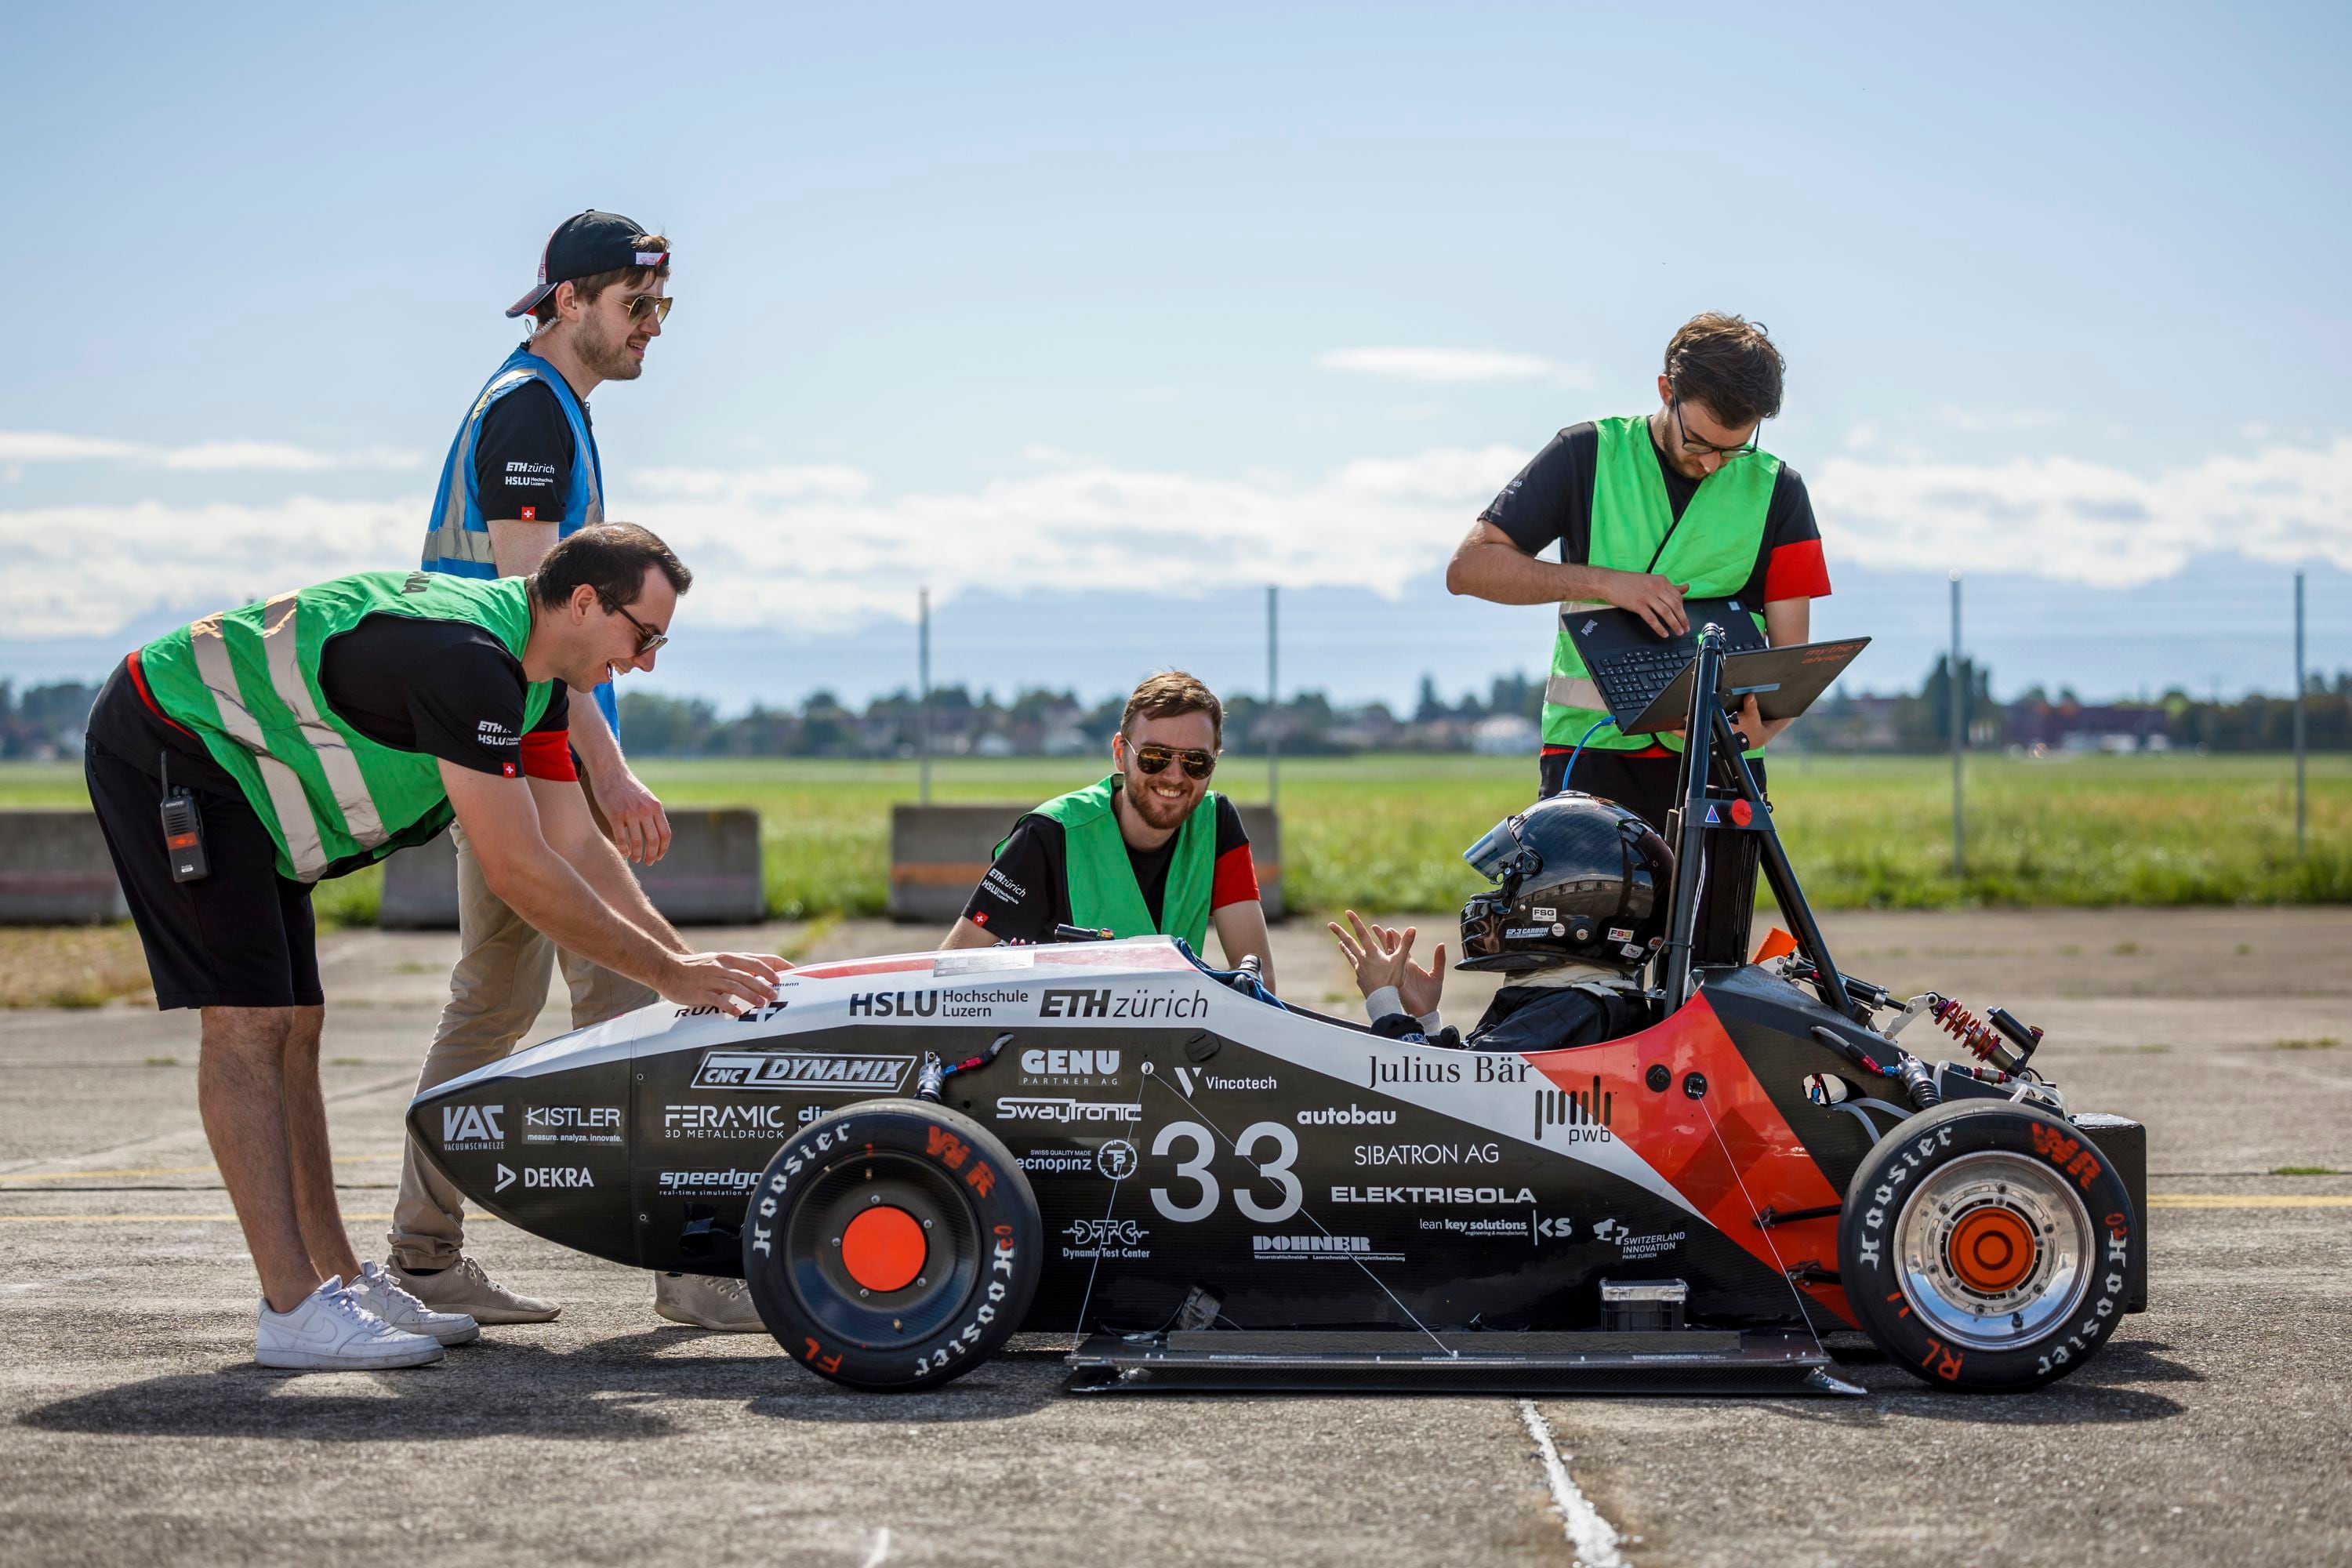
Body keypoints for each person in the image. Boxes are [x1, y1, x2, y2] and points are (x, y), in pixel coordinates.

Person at [81, 523, 789, 1370]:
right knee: (248, 1023)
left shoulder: (534, 683)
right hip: (174, 740)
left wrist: (686, 969)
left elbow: (575, 844)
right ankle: (292, 1305)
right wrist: (673, 973)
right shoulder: (471, 662)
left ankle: (338, 1276)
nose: (647, 662)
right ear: (586, 602)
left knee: (297, 1021)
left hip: (247, 777)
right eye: (645, 635)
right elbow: (521, 869)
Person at [402, 211, 742, 1330]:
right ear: (566, 304)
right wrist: (610, 773)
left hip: (513, 733)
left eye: (663, 309)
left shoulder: (551, 411)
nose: (652, 328)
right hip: (504, 737)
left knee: (517, 995)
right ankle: (687, 1269)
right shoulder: (531, 420)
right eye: (634, 306)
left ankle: (423, 1258)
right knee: (621, 991)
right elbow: (543, 627)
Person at [1444, 313, 1834, 961]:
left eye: (1733, 448)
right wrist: (1606, 583)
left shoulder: (1780, 491)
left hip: (1717, 770)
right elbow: (1470, 567)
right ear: (1665, 390)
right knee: (1576, 970)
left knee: (1708, 973)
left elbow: (1786, 663)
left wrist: (1759, 731)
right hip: (1589, 764)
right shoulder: (1585, 454)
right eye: (1700, 440)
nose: (1713, 463)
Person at [941, 672, 1276, 987]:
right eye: (1154, 757)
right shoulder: (1049, 834)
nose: (1174, 776)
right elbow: (949, 970)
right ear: (1120, 754)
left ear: (1214, 763)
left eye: (1195, 761)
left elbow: (1259, 982)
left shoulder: (1216, 823)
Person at [1327, 793, 1671, 1051]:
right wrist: (1426, 1019)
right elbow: (1470, 1076)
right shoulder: (1582, 1000)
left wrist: (1383, 1001)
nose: (1498, 899)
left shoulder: (1577, 1010)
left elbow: (1447, 1100)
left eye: (1510, 884)